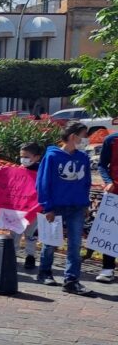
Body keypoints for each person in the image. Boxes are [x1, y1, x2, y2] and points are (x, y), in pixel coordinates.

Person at [36, 122, 93, 295]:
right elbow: (43, 182)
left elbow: (86, 182)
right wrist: (47, 207)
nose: (85, 139)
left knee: (75, 245)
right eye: (83, 135)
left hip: (77, 206)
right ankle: (45, 272)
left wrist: (85, 203)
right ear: (73, 136)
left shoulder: (83, 158)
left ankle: (71, 280)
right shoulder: (52, 156)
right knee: (51, 242)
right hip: (56, 206)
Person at [93, 131, 118, 283]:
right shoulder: (112, 140)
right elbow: (102, 165)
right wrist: (108, 181)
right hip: (115, 192)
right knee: (110, 231)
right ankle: (108, 269)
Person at [17, 143, 44, 271]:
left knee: (31, 234)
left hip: (34, 208)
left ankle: (30, 256)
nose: (23, 159)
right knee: (15, 233)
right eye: (21, 156)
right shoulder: (17, 170)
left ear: (36, 157)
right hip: (18, 208)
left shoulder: (41, 171)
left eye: (26, 156)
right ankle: (11, 255)